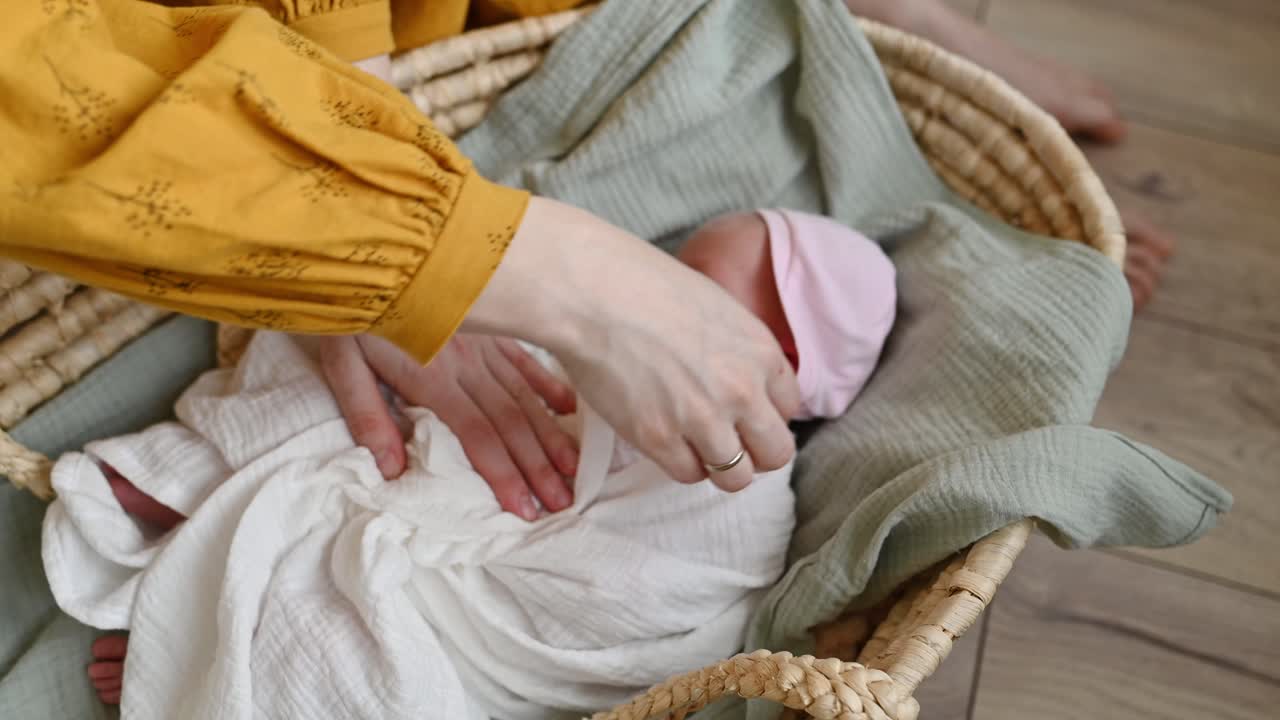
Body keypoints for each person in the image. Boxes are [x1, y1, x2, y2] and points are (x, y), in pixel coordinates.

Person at [3, 0, 1170, 516]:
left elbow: (635, 600)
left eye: (729, 304)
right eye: (685, 268)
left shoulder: (722, 503)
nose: (682, 269)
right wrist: (362, 220)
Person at [76, 207, 896, 707]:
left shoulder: (743, 492)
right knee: (335, 365)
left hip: (492, 594)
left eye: (693, 284)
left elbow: (648, 602)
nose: (661, 289)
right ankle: (211, 544)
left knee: (374, 635)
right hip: (440, 460)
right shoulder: (600, 341)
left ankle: (225, 616)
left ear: (781, 350)